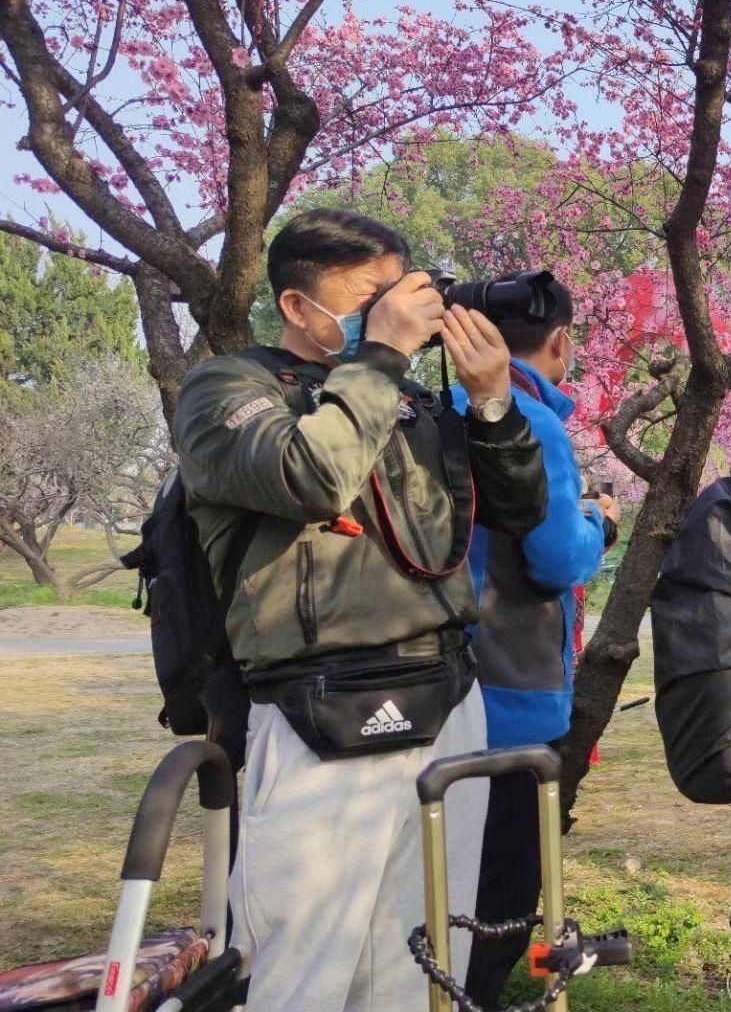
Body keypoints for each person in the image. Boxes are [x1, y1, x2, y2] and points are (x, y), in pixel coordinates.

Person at [171, 209, 549, 1010]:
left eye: (399, 295)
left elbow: (519, 512)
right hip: (321, 709)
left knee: (422, 959)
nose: (399, 313)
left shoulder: (407, 398)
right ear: (299, 307)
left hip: (447, 697)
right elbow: (308, 477)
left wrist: (490, 405)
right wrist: (379, 352)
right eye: (369, 300)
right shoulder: (226, 388)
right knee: (302, 967)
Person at [455, 280, 619, 1006]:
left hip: (439, 694)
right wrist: (599, 525)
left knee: (436, 893)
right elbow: (557, 556)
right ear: (559, 341)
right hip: (512, 699)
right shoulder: (532, 421)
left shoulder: (437, 408)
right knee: (497, 908)